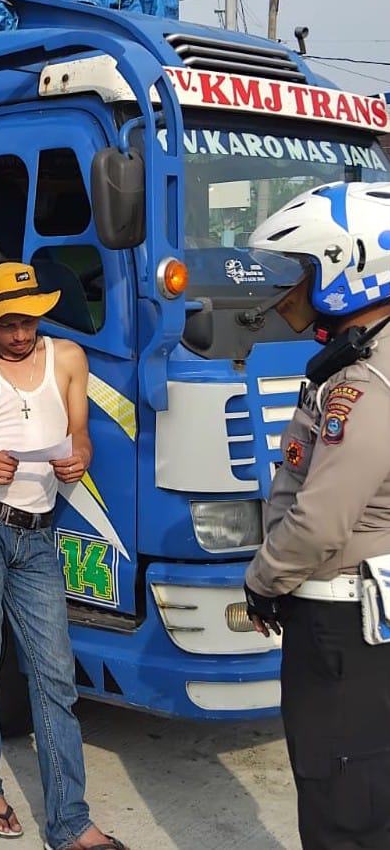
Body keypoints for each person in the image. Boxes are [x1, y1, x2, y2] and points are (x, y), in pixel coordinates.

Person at [0, 262, 126, 850]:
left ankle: (69, 823)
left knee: (55, 675)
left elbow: (80, 431)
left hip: (38, 533)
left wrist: (80, 455)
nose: (19, 334)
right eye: (7, 324)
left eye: (28, 320)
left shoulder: (68, 360)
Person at [243, 181, 390, 850]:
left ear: (345, 268)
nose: (284, 293)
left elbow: (318, 522)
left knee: (339, 800)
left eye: (300, 271)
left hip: (337, 622)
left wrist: (261, 579)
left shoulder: (363, 383)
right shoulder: (361, 361)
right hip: (367, 612)